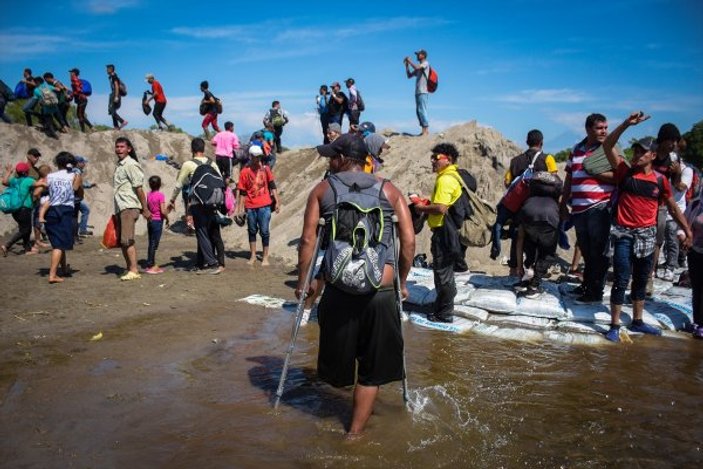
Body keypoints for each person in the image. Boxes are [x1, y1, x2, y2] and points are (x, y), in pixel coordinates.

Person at [297, 132, 414, 435]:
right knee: (373, 369)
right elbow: (409, 241)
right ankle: (354, 434)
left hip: (339, 289)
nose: (329, 162)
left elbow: (308, 240)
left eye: (330, 157)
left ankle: (330, 403)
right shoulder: (389, 190)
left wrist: (303, 283)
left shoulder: (323, 189)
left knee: (337, 361)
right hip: (381, 290)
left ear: (339, 159)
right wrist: (401, 282)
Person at [601, 112, 692, 342]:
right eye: (635, 151)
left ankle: (638, 321)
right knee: (622, 277)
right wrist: (625, 124)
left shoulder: (660, 181)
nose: (637, 155)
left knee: (641, 278)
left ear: (652, 156)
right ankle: (614, 325)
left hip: (647, 235)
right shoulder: (624, 171)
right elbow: (608, 145)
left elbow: (672, 208)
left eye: (642, 152)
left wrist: (687, 230)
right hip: (623, 233)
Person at [559, 113, 614, 304]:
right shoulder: (577, 149)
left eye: (606, 128)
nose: (604, 131)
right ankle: (586, 286)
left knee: (599, 251)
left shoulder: (609, 149)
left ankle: (595, 291)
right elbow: (569, 178)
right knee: (586, 249)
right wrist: (563, 203)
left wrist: (596, 172)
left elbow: (619, 176)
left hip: (599, 207)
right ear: (588, 129)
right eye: (600, 128)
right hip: (579, 209)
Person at [412, 143, 470, 322]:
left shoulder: (445, 179)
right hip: (448, 231)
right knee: (445, 272)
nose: (432, 161)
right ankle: (443, 308)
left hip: (444, 233)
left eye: (436, 158)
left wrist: (421, 207)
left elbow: (441, 208)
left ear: (448, 160)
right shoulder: (451, 176)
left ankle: (444, 314)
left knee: (442, 272)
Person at [492, 130, 557, 273]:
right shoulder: (548, 159)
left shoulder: (515, 161)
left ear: (527, 142)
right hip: (540, 207)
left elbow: (508, 182)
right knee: (539, 240)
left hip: (519, 208)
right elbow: (554, 181)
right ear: (541, 142)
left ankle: (515, 270)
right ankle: (535, 271)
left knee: (517, 237)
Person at [169, 138, 225, 273]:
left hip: (197, 203)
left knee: (201, 232)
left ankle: (211, 262)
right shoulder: (212, 163)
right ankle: (209, 263)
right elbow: (221, 181)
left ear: (192, 149)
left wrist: (172, 200)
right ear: (203, 149)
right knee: (214, 232)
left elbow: (178, 185)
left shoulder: (188, 164)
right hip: (213, 202)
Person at [513, 171, 563, 298]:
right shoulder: (554, 201)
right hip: (550, 218)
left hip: (528, 215)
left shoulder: (528, 201)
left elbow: (520, 241)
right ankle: (533, 286)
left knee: (530, 244)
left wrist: (519, 266)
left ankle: (526, 277)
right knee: (547, 253)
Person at [41, 152, 83, 283]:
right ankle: (52, 275)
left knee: (59, 242)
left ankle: (64, 268)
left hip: (51, 209)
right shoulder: (74, 176)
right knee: (59, 245)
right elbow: (76, 189)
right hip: (65, 210)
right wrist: (78, 176)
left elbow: (44, 188)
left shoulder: (50, 176)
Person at [235, 145, 280, 266]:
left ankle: (265, 257)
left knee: (265, 231)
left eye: (259, 157)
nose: (257, 159)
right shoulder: (244, 172)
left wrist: (277, 202)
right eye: (255, 157)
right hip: (250, 206)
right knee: (252, 230)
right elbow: (242, 192)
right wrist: (239, 210)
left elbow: (272, 186)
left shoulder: (266, 169)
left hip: (265, 205)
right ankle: (253, 255)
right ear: (250, 157)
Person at [649, 123, 682, 289]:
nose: (674, 145)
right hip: (644, 202)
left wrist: (677, 173)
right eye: (671, 141)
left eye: (676, 141)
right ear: (663, 140)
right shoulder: (650, 152)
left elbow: (676, 185)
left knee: (658, 240)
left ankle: (651, 272)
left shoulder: (674, 159)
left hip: (661, 205)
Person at [112, 137, 149, 281]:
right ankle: (129, 268)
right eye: (117, 147)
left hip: (129, 206)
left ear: (129, 149)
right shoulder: (120, 165)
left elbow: (139, 188)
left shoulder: (131, 165)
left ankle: (134, 270)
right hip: (121, 206)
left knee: (127, 240)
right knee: (122, 241)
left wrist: (145, 208)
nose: (119, 149)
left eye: (122, 147)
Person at [661, 152, 693, 281]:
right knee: (663, 240)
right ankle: (677, 259)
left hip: (677, 210)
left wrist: (678, 173)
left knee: (672, 239)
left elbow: (680, 188)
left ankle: (670, 268)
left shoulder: (687, 171)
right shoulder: (664, 170)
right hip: (663, 208)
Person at [1, 162, 39, 256]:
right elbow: (39, 184)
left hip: (16, 210)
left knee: (26, 229)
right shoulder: (29, 180)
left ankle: (27, 249)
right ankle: (7, 245)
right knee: (25, 230)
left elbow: (4, 182)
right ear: (27, 172)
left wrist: (9, 172)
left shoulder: (14, 180)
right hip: (24, 209)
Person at [684, 183, 703, 339]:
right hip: (695, 251)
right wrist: (683, 235)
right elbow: (685, 223)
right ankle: (697, 321)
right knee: (697, 288)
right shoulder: (696, 204)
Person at [145, 175, 169, 274]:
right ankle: (151, 265)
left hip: (150, 221)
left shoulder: (148, 194)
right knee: (154, 243)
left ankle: (150, 263)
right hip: (157, 221)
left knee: (151, 242)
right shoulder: (160, 195)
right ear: (159, 185)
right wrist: (168, 218)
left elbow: (148, 208)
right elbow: (163, 211)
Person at [404, 49, 430, 136]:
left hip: (423, 91)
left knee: (422, 110)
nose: (417, 56)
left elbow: (416, 67)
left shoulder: (425, 63)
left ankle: (426, 131)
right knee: (418, 111)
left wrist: (410, 61)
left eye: (418, 54)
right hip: (418, 92)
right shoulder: (419, 67)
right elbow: (409, 76)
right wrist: (407, 66)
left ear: (423, 55)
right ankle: (423, 131)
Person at [74, 156, 96, 237]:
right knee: (78, 214)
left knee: (84, 211)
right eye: (83, 162)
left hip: (77, 198)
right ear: (78, 163)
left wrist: (89, 185)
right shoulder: (76, 172)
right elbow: (78, 185)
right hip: (75, 198)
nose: (84, 164)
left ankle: (82, 230)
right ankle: (80, 231)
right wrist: (89, 185)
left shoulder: (77, 171)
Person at [106, 64, 127, 130]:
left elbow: (116, 86)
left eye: (107, 69)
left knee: (111, 109)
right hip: (114, 93)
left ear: (111, 69)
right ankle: (116, 126)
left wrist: (116, 96)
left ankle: (122, 121)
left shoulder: (114, 76)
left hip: (115, 94)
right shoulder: (112, 76)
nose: (106, 70)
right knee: (112, 110)